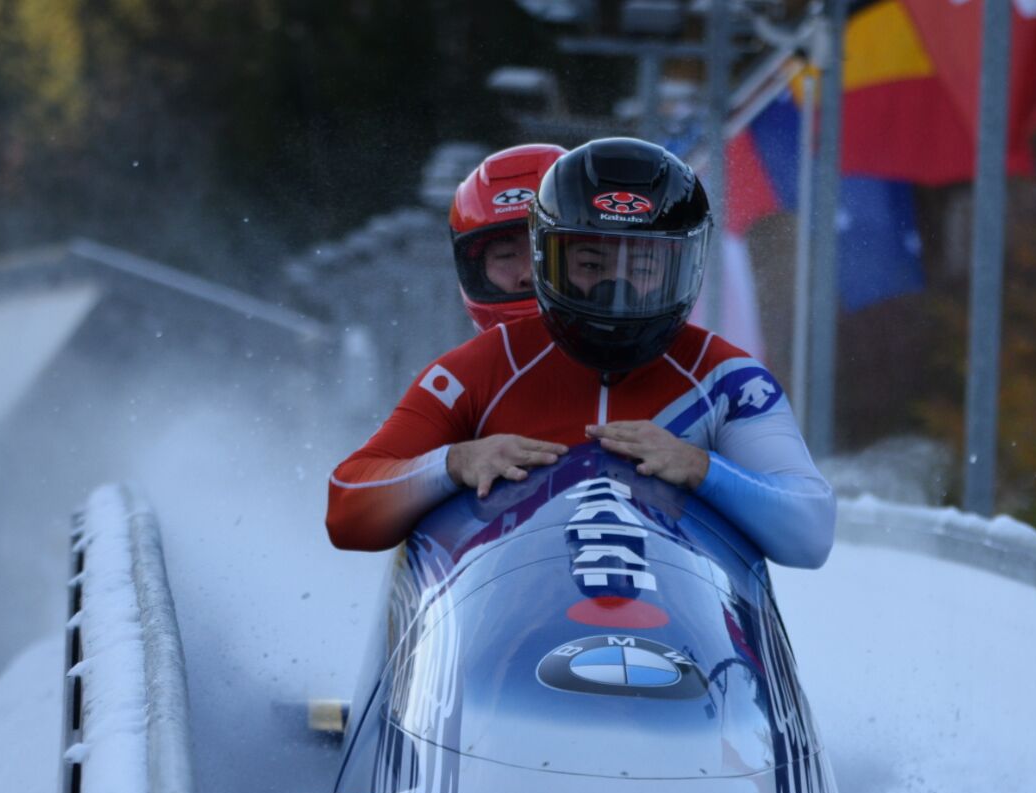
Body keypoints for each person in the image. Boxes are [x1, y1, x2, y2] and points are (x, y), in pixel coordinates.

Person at [327, 137, 835, 569]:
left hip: (679, 627)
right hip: (507, 632)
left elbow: (810, 532)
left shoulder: (727, 378)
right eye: (591, 263)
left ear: (682, 269)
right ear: (558, 261)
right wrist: (454, 463)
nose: (615, 290)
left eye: (641, 267)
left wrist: (702, 468)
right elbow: (347, 507)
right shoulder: (480, 368)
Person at [449, 143, 566, 333]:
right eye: (506, 255)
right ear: (477, 271)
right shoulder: (461, 363)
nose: (529, 274)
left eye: (547, 250)